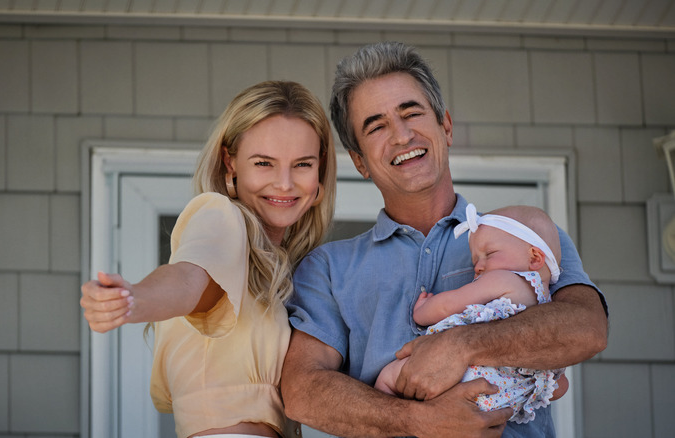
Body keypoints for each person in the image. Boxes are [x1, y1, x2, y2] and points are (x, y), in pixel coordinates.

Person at [281, 41, 608, 438]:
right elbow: (302, 391)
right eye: (377, 126)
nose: (401, 136)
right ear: (360, 161)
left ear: (446, 126)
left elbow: (586, 328)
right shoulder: (328, 268)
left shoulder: (525, 237)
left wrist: (463, 345)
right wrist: (419, 422)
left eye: (411, 112)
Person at [80, 80, 337, 438]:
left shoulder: (279, 266)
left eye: (302, 164)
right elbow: (189, 278)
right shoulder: (221, 218)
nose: (284, 183)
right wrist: (133, 298)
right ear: (229, 162)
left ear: (320, 167)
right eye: (264, 163)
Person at [375, 203, 568, 424]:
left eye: (490, 253)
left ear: (535, 257)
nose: (478, 266)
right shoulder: (549, 301)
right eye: (476, 259)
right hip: (508, 395)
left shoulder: (504, 279)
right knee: (560, 385)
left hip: (473, 376)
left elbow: (449, 305)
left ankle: (387, 421)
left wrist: (422, 310)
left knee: (389, 377)